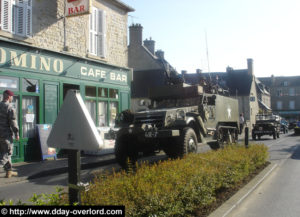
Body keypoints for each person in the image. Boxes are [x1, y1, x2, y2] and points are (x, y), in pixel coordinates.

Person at [0, 90, 19, 178]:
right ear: (9, 97)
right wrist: (17, 133)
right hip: (5, 135)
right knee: (7, 153)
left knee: (4, 152)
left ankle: (9, 172)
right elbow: (13, 122)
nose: (12, 98)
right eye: (12, 97)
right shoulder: (10, 107)